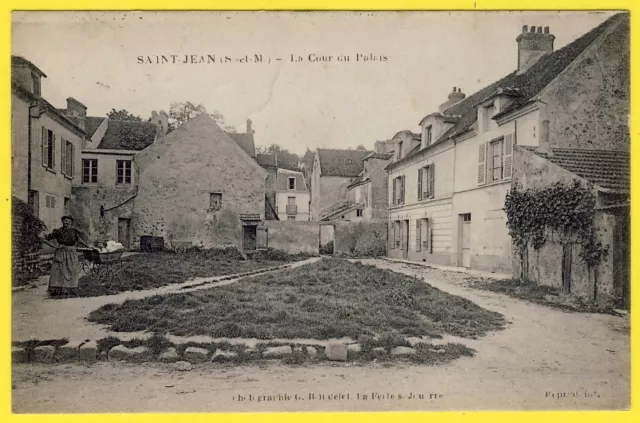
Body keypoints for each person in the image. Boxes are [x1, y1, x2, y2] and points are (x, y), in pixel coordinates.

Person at [41, 216, 94, 297]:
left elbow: (78, 239)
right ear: (62, 222)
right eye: (65, 221)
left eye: (69, 221)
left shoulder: (74, 231)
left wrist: (87, 246)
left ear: (71, 222)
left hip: (72, 252)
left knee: (72, 269)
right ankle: (58, 291)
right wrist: (54, 247)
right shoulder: (58, 231)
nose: (67, 222)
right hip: (61, 252)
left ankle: (71, 290)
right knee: (59, 271)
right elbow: (45, 239)